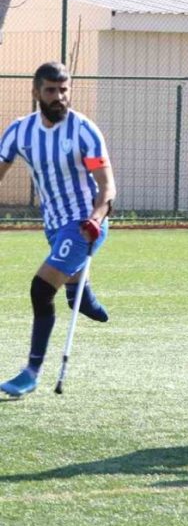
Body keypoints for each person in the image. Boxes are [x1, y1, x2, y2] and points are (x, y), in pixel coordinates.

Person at [0, 61, 116, 397]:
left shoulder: (84, 131)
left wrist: (96, 218)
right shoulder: (20, 132)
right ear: (36, 92)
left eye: (64, 90)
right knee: (68, 286)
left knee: (40, 288)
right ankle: (82, 295)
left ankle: (31, 372)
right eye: (51, 90)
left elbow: (107, 187)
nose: (59, 97)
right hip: (52, 224)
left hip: (83, 225)